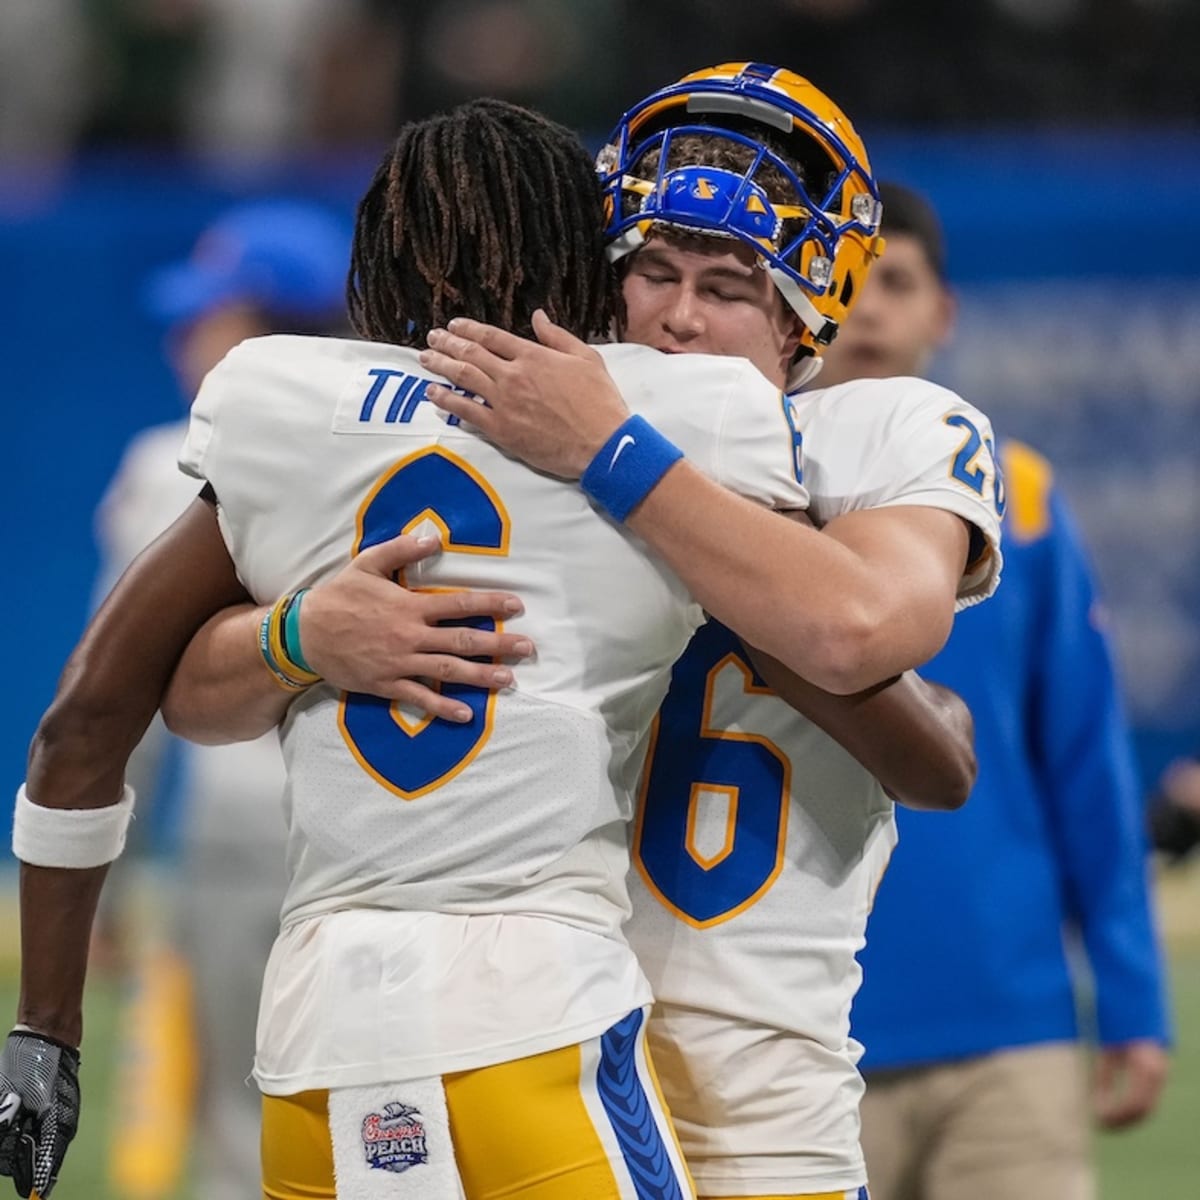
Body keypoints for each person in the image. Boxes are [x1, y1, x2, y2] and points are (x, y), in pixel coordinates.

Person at [164, 65, 1006, 1200]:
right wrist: (301, 635)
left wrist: (619, 461)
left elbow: (869, 641)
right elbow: (176, 687)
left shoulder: (873, 428)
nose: (678, 317)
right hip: (524, 1061)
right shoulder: (507, 418)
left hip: (757, 1117)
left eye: (732, 284)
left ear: (812, 304)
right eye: (653, 270)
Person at [2, 95, 848, 1200]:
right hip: (537, 1015)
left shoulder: (274, 399)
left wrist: (44, 1031)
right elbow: (854, 641)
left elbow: (84, 726)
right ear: (581, 250)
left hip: (314, 1041)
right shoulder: (691, 411)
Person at [822, 182, 1171, 1200]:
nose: (873, 308)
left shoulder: (1018, 501)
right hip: (794, 1025)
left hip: (1008, 1022)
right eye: (848, 281)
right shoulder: (731, 499)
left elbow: (1085, 761)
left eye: (899, 281)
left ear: (945, 312)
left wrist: (1133, 997)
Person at [94, 199, 351, 1199]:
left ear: (273, 331)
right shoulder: (408, 450)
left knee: (245, 1139)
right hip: (392, 837)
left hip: (243, 847)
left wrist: (104, 885)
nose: (187, 335)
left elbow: (114, 707)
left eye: (215, 314)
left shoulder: (168, 466)